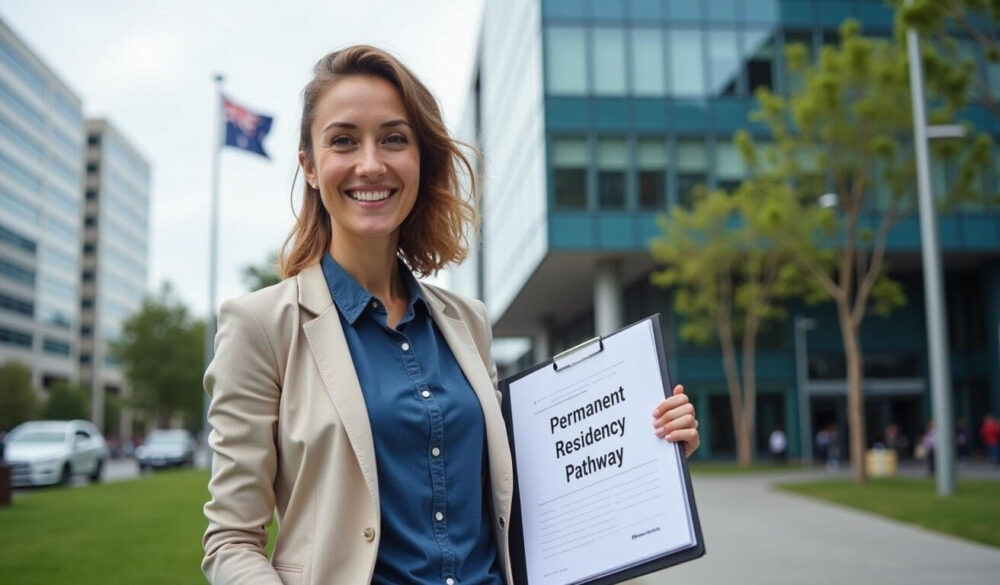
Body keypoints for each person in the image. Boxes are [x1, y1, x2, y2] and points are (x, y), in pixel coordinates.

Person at [200, 46, 701, 585]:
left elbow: (520, 494)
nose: (371, 163)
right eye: (343, 140)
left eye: (394, 138)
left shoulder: (468, 321)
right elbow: (231, 540)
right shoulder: (260, 327)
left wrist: (645, 446)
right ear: (311, 167)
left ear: (421, 160)